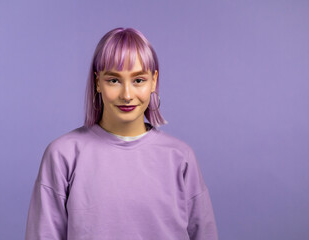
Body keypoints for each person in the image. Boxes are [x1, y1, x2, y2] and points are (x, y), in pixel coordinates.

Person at [25, 27, 219, 240]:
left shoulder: (181, 157)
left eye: (138, 80)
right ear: (98, 81)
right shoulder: (63, 155)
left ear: (154, 81)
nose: (127, 95)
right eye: (114, 80)